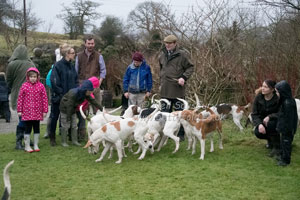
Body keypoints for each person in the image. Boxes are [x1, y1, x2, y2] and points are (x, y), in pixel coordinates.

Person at [159, 35, 194, 141]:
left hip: (177, 89)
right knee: (165, 114)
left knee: (180, 114)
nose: (167, 45)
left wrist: (183, 77)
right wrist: (161, 82)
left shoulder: (182, 55)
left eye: (169, 43)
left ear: (175, 43)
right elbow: (161, 70)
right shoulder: (161, 55)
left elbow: (191, 67)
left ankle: (181, 134)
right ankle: (166, 134)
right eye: (166, 43)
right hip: (165, 89)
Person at [75, 35, 106, 138]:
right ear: (85, 44)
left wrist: (100, 81)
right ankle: (82, 134)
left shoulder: (99, 56)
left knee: (98, 110)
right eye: (88, 43)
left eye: (92, 43)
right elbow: (76, 71)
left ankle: (100, 134)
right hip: (82, 87)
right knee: (82, 110)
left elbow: (103, 71)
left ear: (94, 44)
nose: (90, 45)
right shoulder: (78, 56)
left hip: (95, 87)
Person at [6, 44, 36, 150]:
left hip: (17, 94)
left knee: (22, 118)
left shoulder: (11, 64)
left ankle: (21, 140)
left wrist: (13, 87)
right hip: (30, 95)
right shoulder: (31, 64)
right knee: (29, 118)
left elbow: (8, 80)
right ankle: (24, 139)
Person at [49, 44, 78, 146]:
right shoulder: (58, 65)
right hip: (59, 97)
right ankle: (52, 137)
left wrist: (75, 93)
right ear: (67, 54)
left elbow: (75, 80)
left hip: (70, 97)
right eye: (73, 53)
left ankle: (71, 138)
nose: (74, 55)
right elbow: (54, 81)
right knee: (55, 116)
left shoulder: (71, 66)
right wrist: (61, 94)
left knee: (70, 117)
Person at [59, 79, 102, 147]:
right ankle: (64, 142)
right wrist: (68, 117)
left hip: (73, 109)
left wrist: (102, 109)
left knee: (74, 125)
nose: (91, 92)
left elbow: (93, 101)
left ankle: (74, 141)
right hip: (65, 109)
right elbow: (69, 105)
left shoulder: (85, 94)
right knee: (65, 125)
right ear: (86, 90)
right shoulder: (73, 93)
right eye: (90, 91)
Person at [17, 68, 48, 152]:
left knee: (36, 128)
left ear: (37, 77)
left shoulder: (41, 86)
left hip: (37, 112)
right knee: (28, 128)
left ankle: (35, 144)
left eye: (34, 77)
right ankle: (27, 145)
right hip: (27, 112)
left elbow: (44, 99)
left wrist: (45, 111)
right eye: (31, 77)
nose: (33, 78)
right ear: (28, 77)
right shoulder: (24, 86)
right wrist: (19, 110)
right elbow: (20, 99)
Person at [251, 80, 280, 156]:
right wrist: (259, 124)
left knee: (271, 124)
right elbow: (254, 114)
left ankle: (277, 147)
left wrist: (270, 117)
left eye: (265, 87)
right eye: (262, 86)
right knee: (258, 132)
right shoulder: (258, 98)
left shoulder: (278, 98)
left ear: (272, 89)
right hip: (262, 122)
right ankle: (270, 141)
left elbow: (281, 113)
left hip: (276, 122)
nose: (262, 88)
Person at [275, 80, 298, 166]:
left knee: (286, 143)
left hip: (287, 129)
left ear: (283, 92)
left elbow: (289, 119)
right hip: (284, 128)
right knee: (283, 143)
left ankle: (286, 160)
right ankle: (282, 156)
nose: (276, 94)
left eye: (277, 92)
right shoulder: (285, 101)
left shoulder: (288, 103)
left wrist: (286, 129)